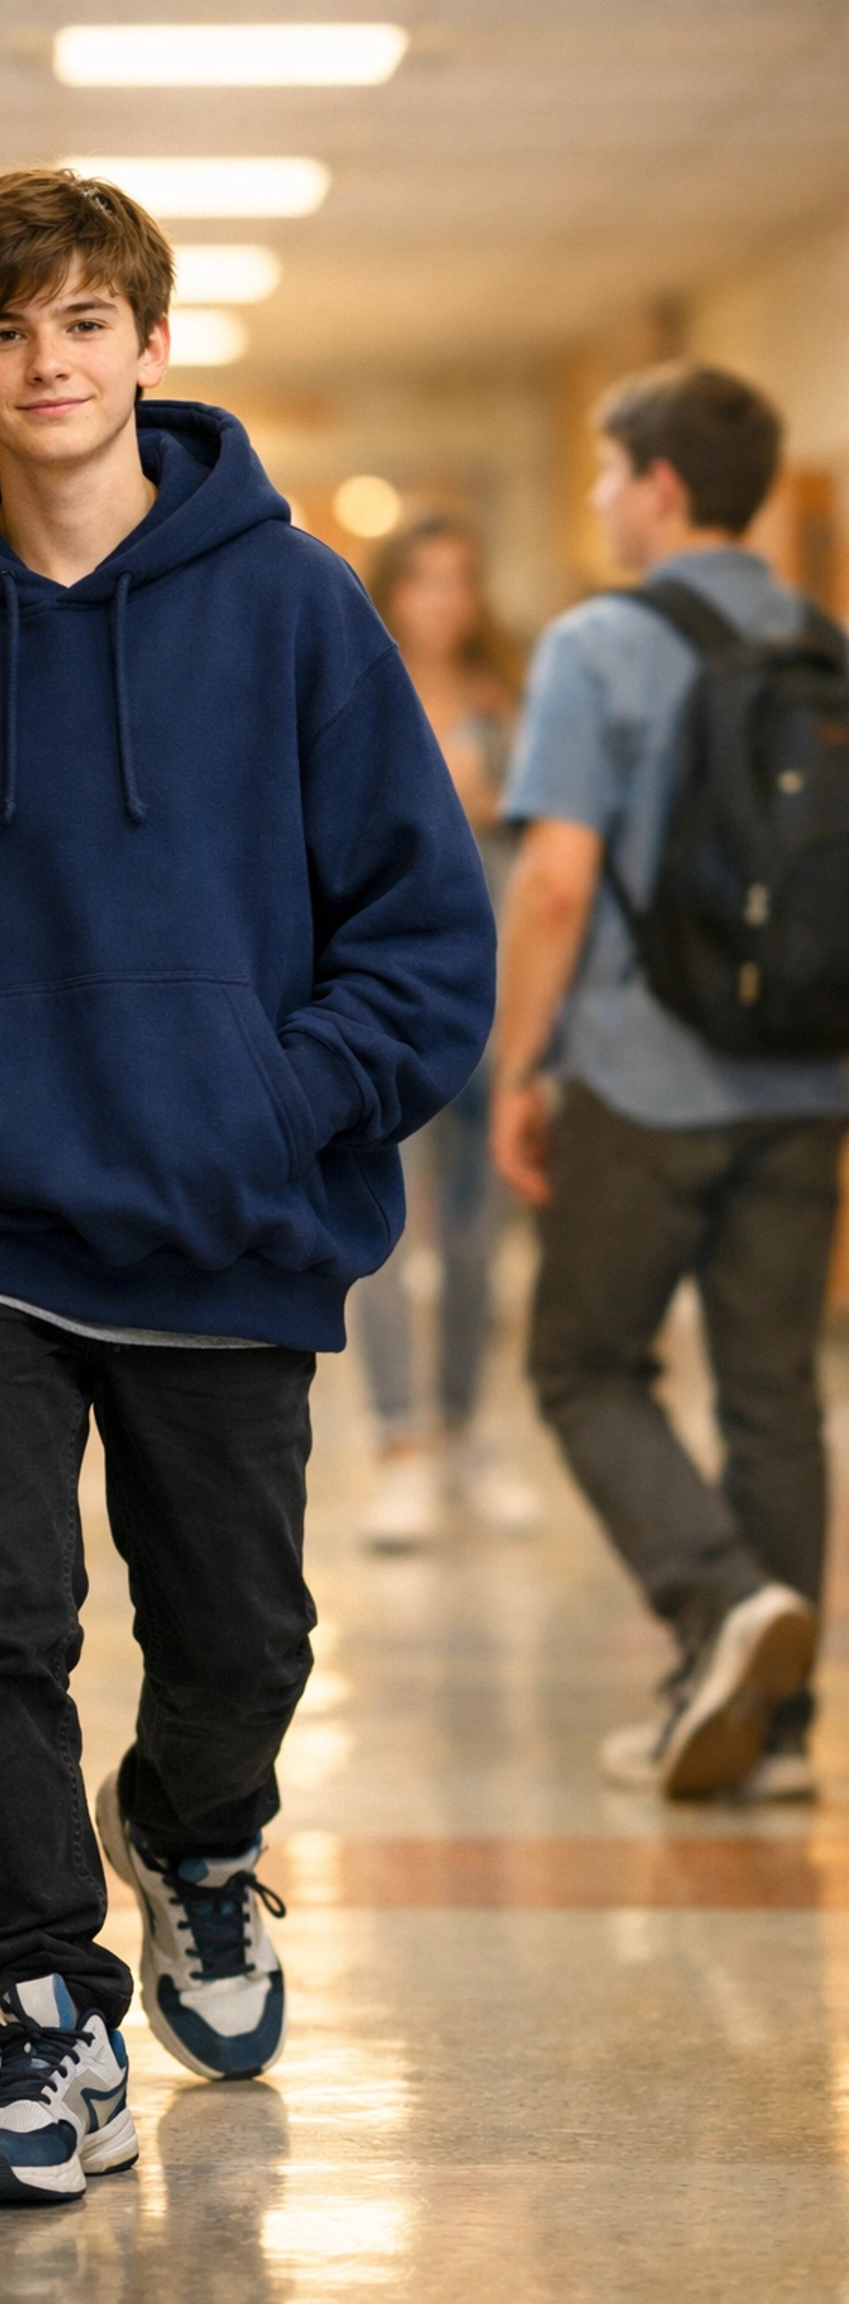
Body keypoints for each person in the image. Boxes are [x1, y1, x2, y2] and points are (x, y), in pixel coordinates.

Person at [0, 169, 494, 2206]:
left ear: (150, 343)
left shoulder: (296, 609)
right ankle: (41, 2025)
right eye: (5, 331)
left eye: (83, 323)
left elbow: (422, 939)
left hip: (228, 1223)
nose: (47, 365)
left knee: (240, 1638)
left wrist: (271, 1102)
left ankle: (201, 1836)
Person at [492, 361, 846, 1802]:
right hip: (807, 1074)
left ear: (662, 486)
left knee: (581, 1363)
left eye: (605, 474)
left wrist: (522, 1062)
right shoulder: (826, 642)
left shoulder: (597, 644)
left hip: (647, 1075)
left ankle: (715, 1606)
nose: (596, 501)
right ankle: (776, 1731)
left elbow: (558, 882)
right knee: (774, 1389)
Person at [351, 517, 537, 1546]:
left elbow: (556, 844)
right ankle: (399, 1443)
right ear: (395, 590)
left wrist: (497, 797)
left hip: (499, 1002)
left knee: (478, 1242)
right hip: (388, 1006)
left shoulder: (507, 703)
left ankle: (467, 1429)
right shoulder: (361, 696)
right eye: (422, 580)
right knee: (386, 1233)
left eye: (459, 579)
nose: (441, 600)